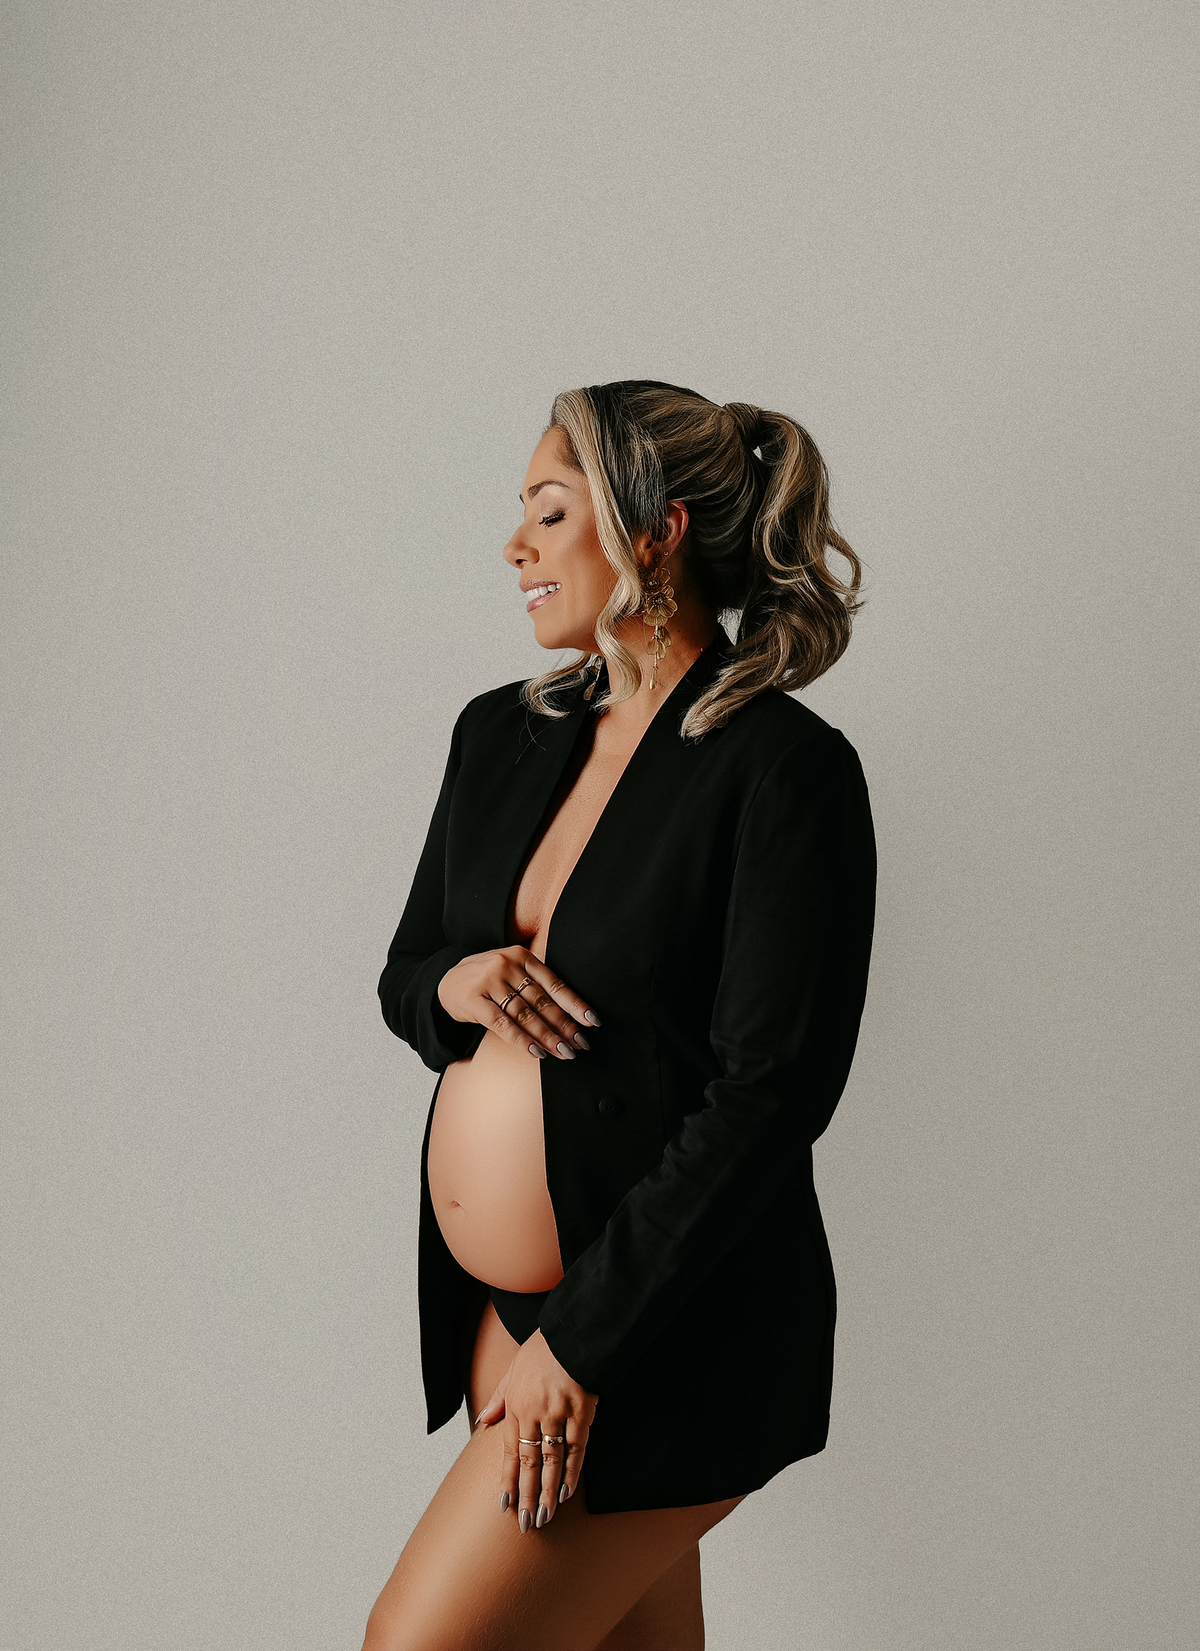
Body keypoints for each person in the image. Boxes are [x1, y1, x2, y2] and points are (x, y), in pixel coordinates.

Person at [364, 379, 877, 1651]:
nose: (515, 546)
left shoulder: (784, 771)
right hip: (499, 1319)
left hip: (654, 1331)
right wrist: (457, 983)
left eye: (550, 511)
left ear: (656, 530)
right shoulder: (500, 734)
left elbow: (770, 1098)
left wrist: (583, 1346)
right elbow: (406, 972)